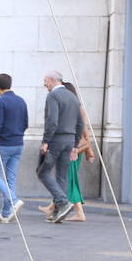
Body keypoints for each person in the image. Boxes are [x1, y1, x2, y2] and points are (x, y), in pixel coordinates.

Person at [35, 70, 84, 224]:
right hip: (69, 141)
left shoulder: (53, 96)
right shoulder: (73, 97)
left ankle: (62, 203)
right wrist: (75, 144)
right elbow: (80, 123)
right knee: (61, 176)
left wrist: (45, 141)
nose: (44, 84)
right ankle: (58, 213)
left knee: (42, 171)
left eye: (45, 80)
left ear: (52, 80)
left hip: (56, 140)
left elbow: (52, 121)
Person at [45, 81, 94, 222]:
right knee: (67, 179)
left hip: (72, 150)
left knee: (69, 180)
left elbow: (85, 133)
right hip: (71, 148)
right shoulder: (72, 107)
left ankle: (78, 212)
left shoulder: (76, 108)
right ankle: (53, 207)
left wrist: (89, 151)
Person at [0, 73, 28, 223]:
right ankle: (6, 213)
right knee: (10, 179)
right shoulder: (21, 101)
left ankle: (14, 200)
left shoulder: (0, 101)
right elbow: (25, 123)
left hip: (4, 144)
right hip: (18, 144)